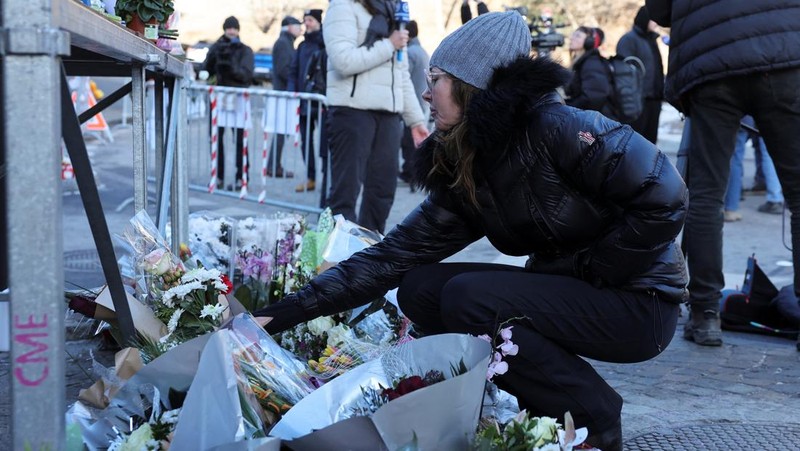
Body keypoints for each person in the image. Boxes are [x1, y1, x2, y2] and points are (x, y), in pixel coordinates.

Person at [255, 12, 689, 450]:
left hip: (639, 301)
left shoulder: (558, 128)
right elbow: (392, 257)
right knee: (420, 288)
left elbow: (667, 196)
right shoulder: (474, 161)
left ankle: (594, 414)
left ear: (471, 85)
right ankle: (533, 402)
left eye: (436, 79)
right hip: (580, 287)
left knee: (469, 298)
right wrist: (275, 316)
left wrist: (590, 267)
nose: (425, 91)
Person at [647, 0, 800, 347]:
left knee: (706, 197)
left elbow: (659, 10)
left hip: (711, 63)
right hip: (782, 51)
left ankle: (706, 315)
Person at [322, 0, 429, 234]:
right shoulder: (343, 6)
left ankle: (368, 257)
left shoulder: (392, 15)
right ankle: (337, 262)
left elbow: (399, 75)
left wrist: (416, 120)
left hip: (388, 116)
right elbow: (343, 61)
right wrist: (389, 44)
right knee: (345, 195)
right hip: (351, 112)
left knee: (382, 192)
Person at [202, 16, 254, 190]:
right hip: (219, 99)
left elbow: (247, 75)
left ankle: (242, 177)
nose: (231, 31)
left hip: (238, 98)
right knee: (216, 139)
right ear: (224, 29)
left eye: (234, 28)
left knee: (240, 140)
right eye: (228, 28)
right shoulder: (216, 48)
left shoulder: (245, 50)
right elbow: (205, 70)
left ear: (239, 30)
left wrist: (232, 67)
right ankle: (218, 176)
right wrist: (212, 58)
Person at [288, 9, 328, 196]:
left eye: (310, 20)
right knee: (306, 142)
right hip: (304, 101)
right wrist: (292, 94)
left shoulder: (326, 43)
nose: (307, 23)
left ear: (318, 22)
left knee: (324, 144)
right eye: (305, 20)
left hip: (323, 102)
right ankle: (311, 177)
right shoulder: (302, 46)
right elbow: (293, 71)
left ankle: (326, 178)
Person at [616, 6, 664, 144]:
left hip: (654, 99)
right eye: (653, 19)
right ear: (645, 19)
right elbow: (623, 72)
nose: (656, 23)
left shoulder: (652, 40)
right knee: (634, 142)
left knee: (650, 143)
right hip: (636, 101)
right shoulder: (628, 39)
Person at [724, 116, 785, 222]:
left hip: (738, 117)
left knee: (735, 157)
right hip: (751, 119)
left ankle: (730, 205)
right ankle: (731, 206)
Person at [267, 16, 302, 179]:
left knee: (283, 131)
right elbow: (283, 70)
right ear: (289, 27)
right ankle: (273, 166)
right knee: (281, 130)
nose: (300, 29)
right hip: (283, 93)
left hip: (285, 92)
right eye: (297, 26)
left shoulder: (286, 43)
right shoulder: (283, 44)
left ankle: (274, 165)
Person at [398, 20, 430, 187]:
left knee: (408, 141)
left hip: (413, 103)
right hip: (422, 102)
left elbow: (403, 77)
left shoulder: (410, 53)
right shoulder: (422, 51)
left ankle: (410, 173)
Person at [564, 26, 616, 119]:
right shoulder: (582, 62)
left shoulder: (592, 63)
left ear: (589, 42)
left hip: (599, 122)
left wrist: (566, 106)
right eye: (573, 35)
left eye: (578, 36)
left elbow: (593, 97)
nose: (571, 38)